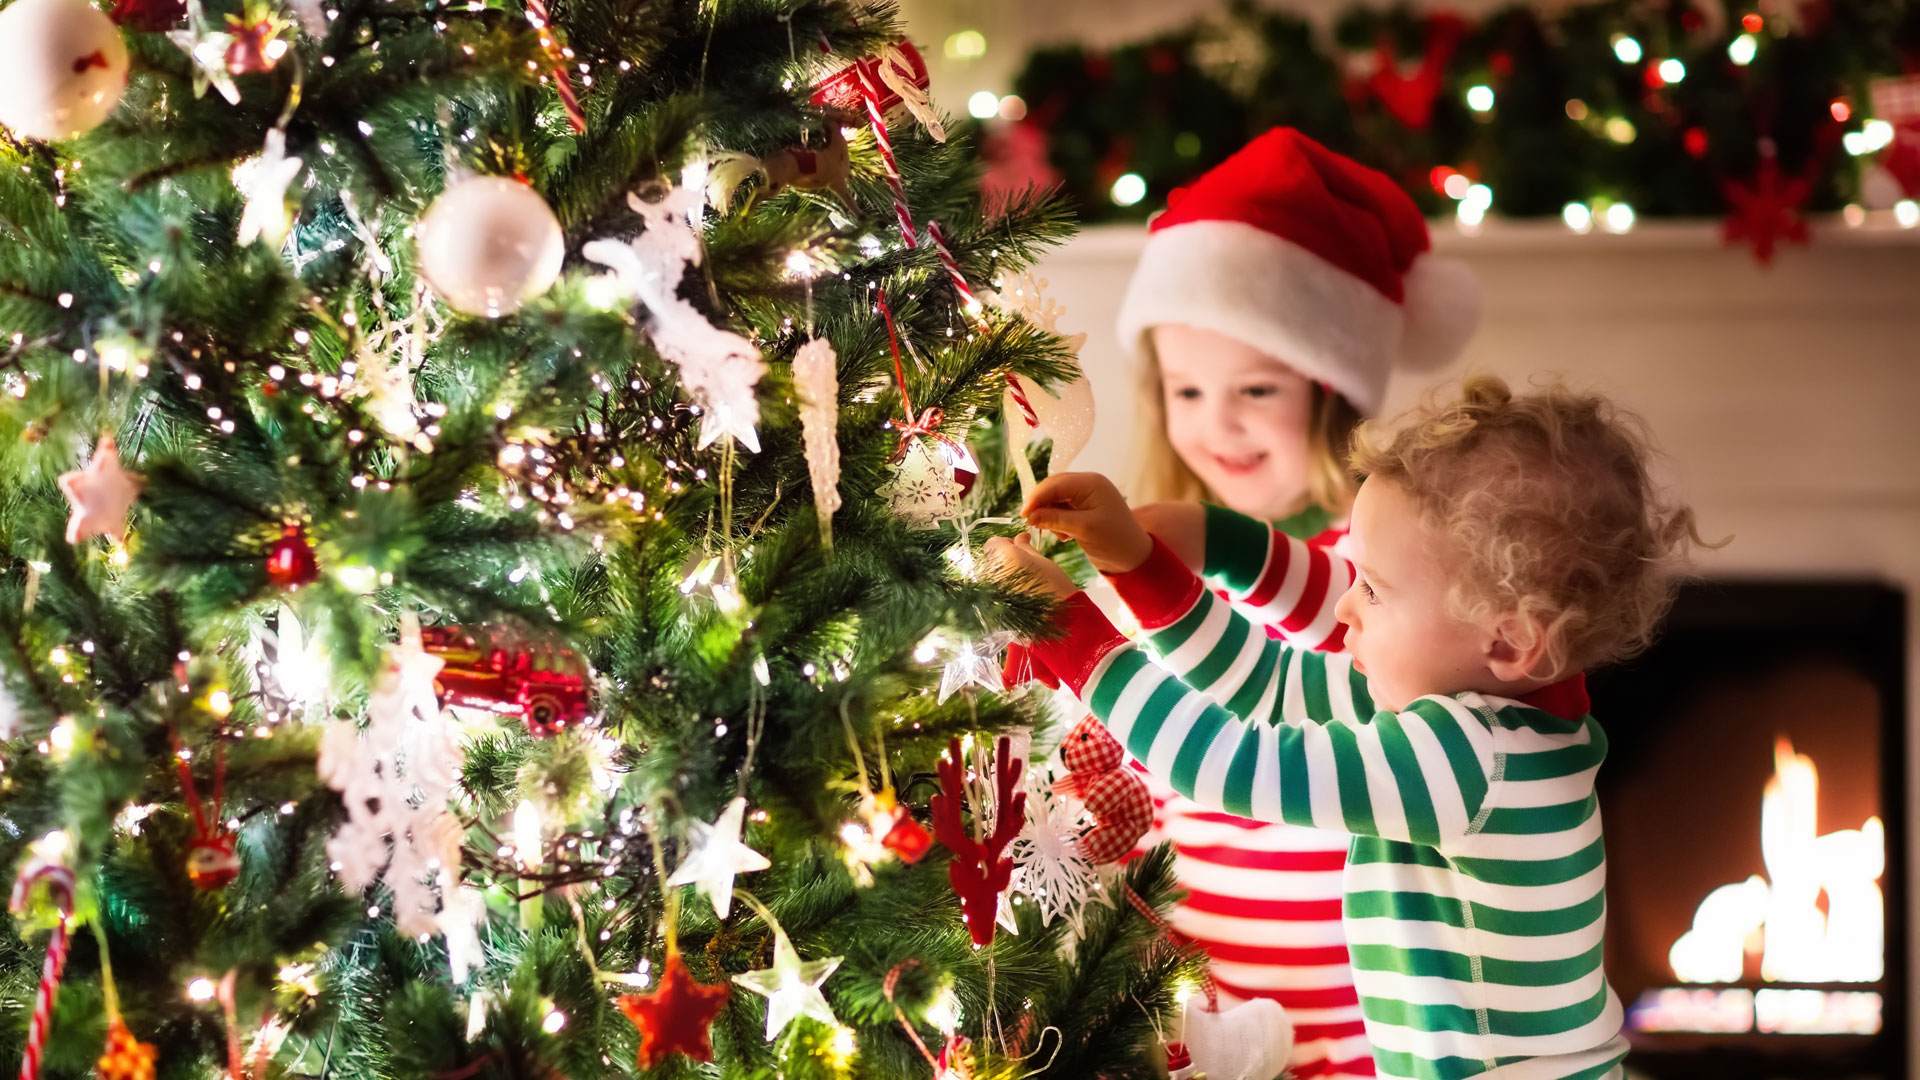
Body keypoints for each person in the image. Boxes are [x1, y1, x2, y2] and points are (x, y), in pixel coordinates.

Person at [996, 375, 1709, 1080]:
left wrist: (1076, 638)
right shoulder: (1493, 709)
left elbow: (1231, 763)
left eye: (1371, 587)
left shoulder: (1468, 763)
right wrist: (1145, 568)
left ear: (1508, 640)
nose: (1343, 610)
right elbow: (1269, 687)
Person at [1097, 126, 1479, 1079]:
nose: (1215, 423)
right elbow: (1146, 755)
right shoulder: (1157, 570)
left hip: (1360, 1006)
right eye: (1187, 390)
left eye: (1255, 388)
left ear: (1330, 391)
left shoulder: (1374, 567)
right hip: (1212, 995)